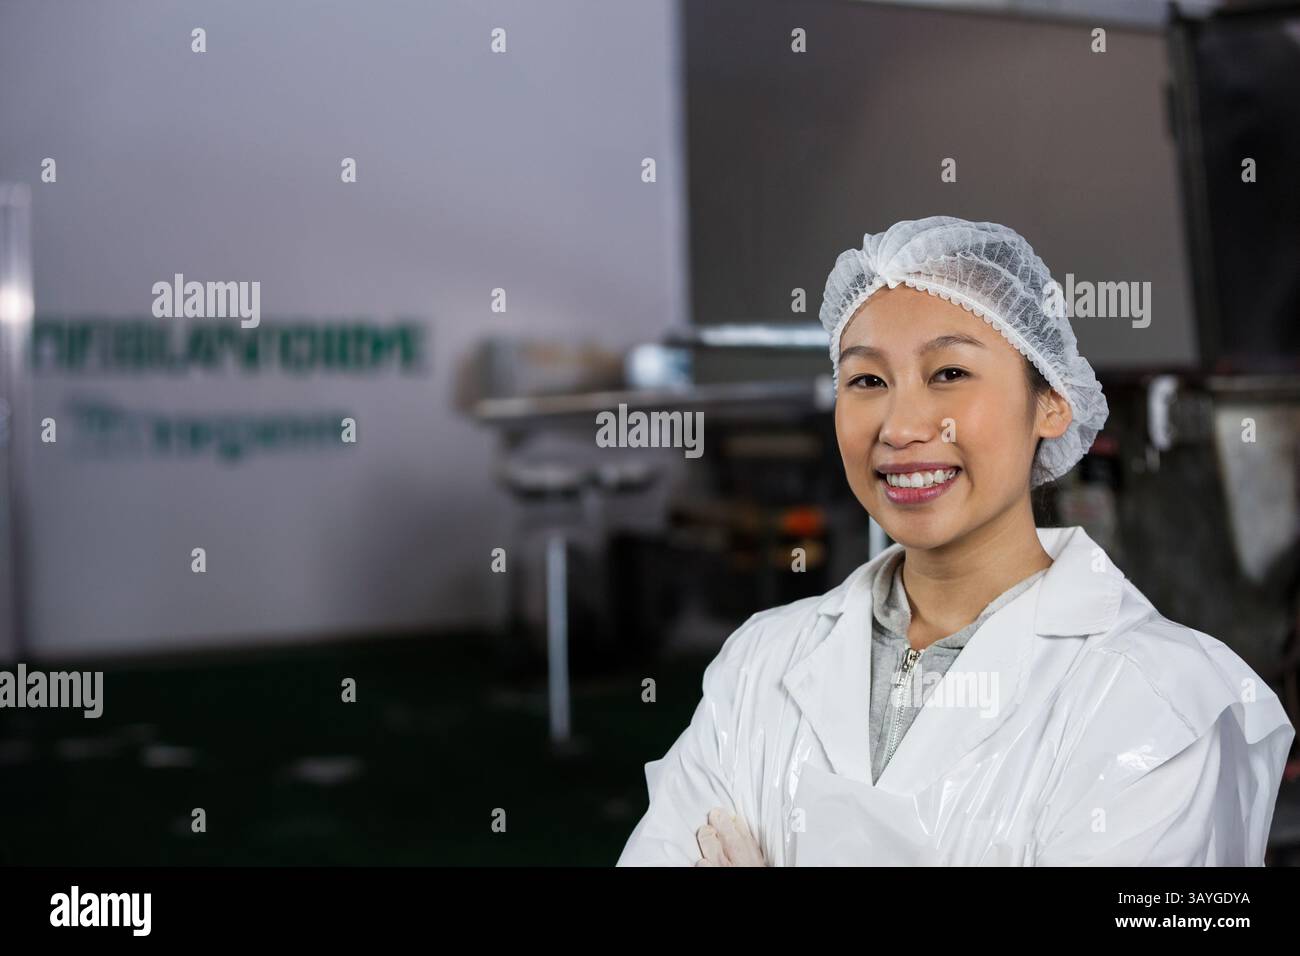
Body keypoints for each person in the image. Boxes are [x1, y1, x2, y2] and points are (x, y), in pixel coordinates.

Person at [616, 216, 1295, 866]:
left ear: (1051, 401)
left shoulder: (1155, 705)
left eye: (949, 374)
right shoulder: (761, 661)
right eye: (867, 380)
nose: (902, 424)